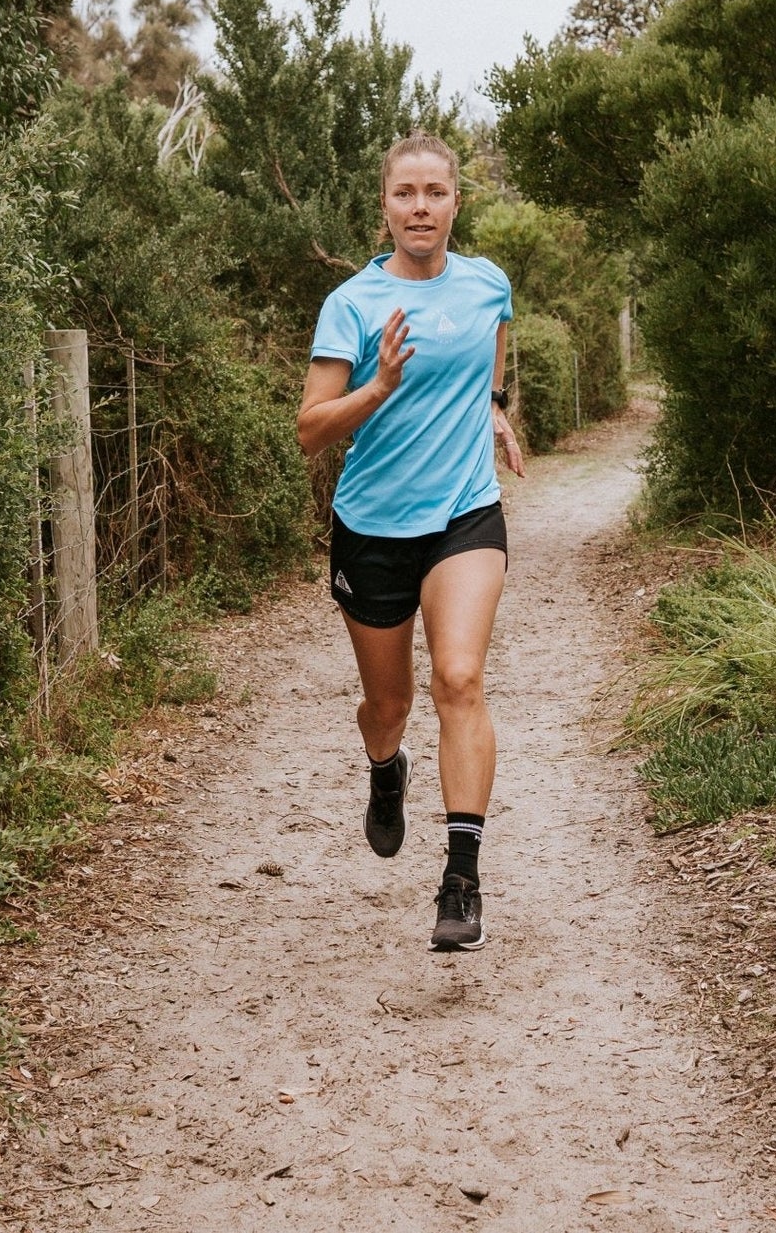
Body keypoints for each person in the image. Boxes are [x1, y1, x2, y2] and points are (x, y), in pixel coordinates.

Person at [296, 130, 525, 951]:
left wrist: (494, 403)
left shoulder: (487, 282)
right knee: (387, 706)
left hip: (465, 515)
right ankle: (385, 769)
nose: (420, 207)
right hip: (372, 529)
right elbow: (310, 431)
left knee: (459, 677)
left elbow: (496, 332)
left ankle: (460, 880)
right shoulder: (352, 304)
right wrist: (380, 386)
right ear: (385, 206)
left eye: (435, 192)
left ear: (456, 200)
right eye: (405, 194)